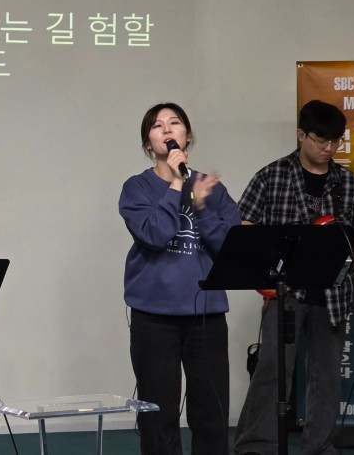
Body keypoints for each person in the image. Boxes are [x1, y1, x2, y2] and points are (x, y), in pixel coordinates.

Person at [233, 100, 354, 455]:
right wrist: (264, 269)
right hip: (285, 292)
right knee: (273, 369)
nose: (329, 148)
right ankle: (256, 446)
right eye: (321, 140)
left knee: (326, 375)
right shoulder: (271, 176)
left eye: (335, 141)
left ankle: (319, 446)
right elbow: (244, 227)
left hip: (332, 294)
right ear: (301, 135)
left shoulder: (350, 185)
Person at [119, 102, 240, 454]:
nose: (167, 129)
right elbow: (154, 234)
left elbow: (230, 248)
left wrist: (202, 207)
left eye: (175, 123)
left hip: (206, 313)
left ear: (187, 137)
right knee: (159, 413)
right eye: (158, 126)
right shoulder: (137, 188)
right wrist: (177, 185)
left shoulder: (212, 189)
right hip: (154, 315)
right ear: (148, 143)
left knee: (211, 411)